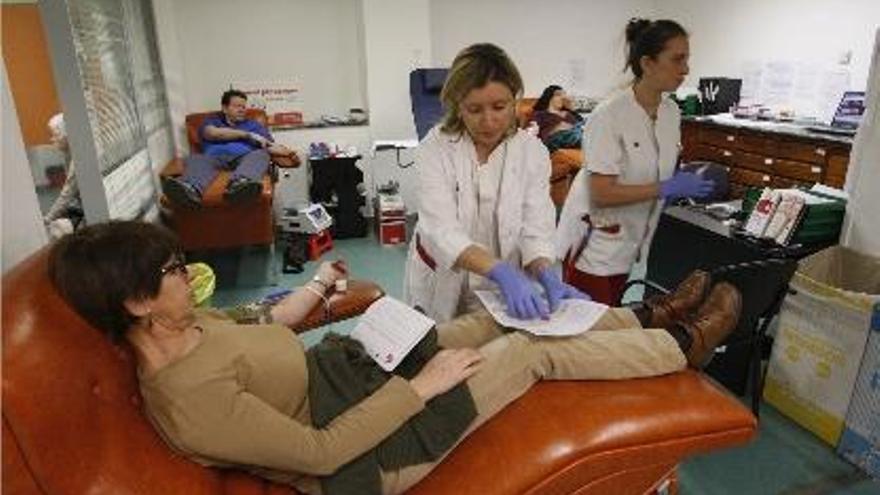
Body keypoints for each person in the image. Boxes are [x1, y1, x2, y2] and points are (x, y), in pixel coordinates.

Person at [49, 220, 742, 495]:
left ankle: (647, 314)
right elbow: (318, 453)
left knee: (489, 321)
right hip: (366, 453)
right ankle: (682, 344)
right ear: (137, 303)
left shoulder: (186, 317)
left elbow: (258, 317)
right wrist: (424, 386)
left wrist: (319, 287)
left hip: (349, 371)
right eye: (172, 267)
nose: (187, 271)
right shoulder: (188, 398)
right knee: (528, 352)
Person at [403, 43, 586, 324]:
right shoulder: (435, 149)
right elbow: (441, 230)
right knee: (439, 351)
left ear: (515, 100)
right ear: (457, 106)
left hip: (502, 291)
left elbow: (535, 227)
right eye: (474, 109)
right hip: (444, 281)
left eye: (499, 107)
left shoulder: (531, 152)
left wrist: (546, 273)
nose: (488, 121)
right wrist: (501, 271)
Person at [556, 19, 715, 306]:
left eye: (687, 59)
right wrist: (667, 188)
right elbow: (602, 193)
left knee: (613, 316)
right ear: (648, 63)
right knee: (588, 331)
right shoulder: (610, 115)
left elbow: (658, 170)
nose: (686, 69)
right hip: (596, 244)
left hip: (634, 242)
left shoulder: (671, 113)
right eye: (677, 59)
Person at [162, 89, 295, 207]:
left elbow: (269, 145)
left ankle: (240, 185)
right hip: (212, 158)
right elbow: (213, 134)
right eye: (237, 106)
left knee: (261, 154)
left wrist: (289, 154)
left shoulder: (254, 125)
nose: (242, 109)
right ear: (225, 108)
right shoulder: (213, 120)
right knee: (196, 158)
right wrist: (247, 135)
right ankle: (189, 190)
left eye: (243, 106)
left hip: (244, 158)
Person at [43, 114, 82, 238]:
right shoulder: (69, 154)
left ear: (67, 134)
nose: (52, 139)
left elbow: (67, 193)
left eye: (55, 135)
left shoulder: (78, 159)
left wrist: (47, 219)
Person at [530, 85, 585, 152]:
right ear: (549, 97)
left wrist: (572, 109)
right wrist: (556, 128)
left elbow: (583, 125)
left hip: (576, 135)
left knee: (585, 126)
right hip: (555, 139)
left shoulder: (569, 114)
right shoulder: (540, 114)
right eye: (558, 95)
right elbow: (533, 133)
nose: (563, 97)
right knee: (580, 131)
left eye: (564, 95)